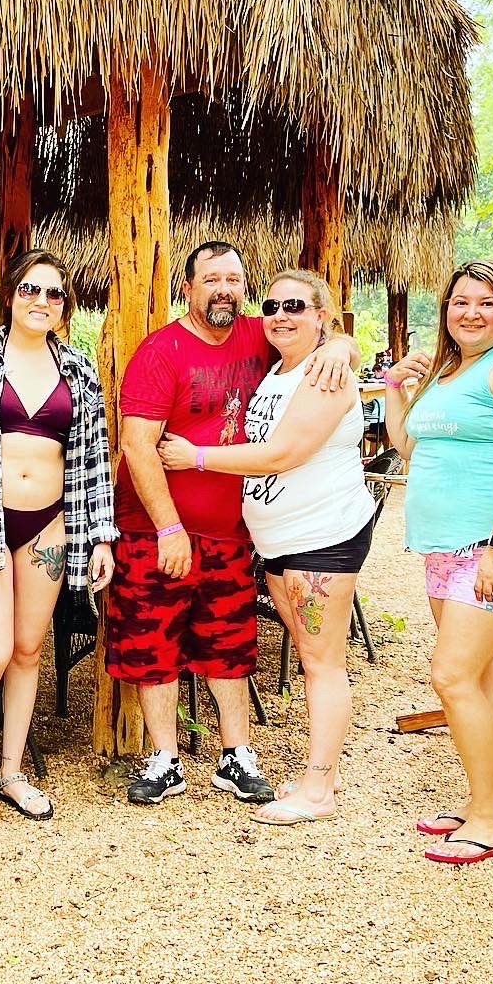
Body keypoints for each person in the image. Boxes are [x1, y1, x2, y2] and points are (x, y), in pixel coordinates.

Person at [108, 242, 358, 806]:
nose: (225, 289)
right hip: (156, 531)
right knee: (155, 646)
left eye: (235, 279)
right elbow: (138, 446)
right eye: (211, 279)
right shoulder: (160, 352)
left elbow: (325, 334)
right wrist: (169, 527)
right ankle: (165, 758)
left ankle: (236, 755)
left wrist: (342, 346)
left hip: (232, 532)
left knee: (229, 644)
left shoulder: (262, 332)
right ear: (188, 288)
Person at [160, 269, 376, 825]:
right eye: (273, 304)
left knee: (321, 663)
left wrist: (197, 458)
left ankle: (320, 788)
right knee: (312, 657)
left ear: (322, 317)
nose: (281, 314)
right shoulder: (280, 368)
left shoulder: (325, 372)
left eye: (298, 306)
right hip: (282, 544)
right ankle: (314, 777)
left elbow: (284, 454)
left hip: (320, 541)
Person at [0, 249, 117, 822]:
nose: (41, 301)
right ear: (9, 296)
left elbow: (93, 456)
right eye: (30, 290)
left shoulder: (79, 370)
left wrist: (101, 537)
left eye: (54, 293)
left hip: (51, 524)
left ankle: (11, 770)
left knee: (28, 650)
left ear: (66, 305)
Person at [382, 260, 493, 863]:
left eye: (486, 303)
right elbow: (407, 446)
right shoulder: (452, 371)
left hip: (492, 545)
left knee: (449, 676)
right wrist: (397, 391)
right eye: (460, 302)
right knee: (480, 677)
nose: (471, 313)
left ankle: (491, 818)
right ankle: (483, 797)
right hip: (441, 545)